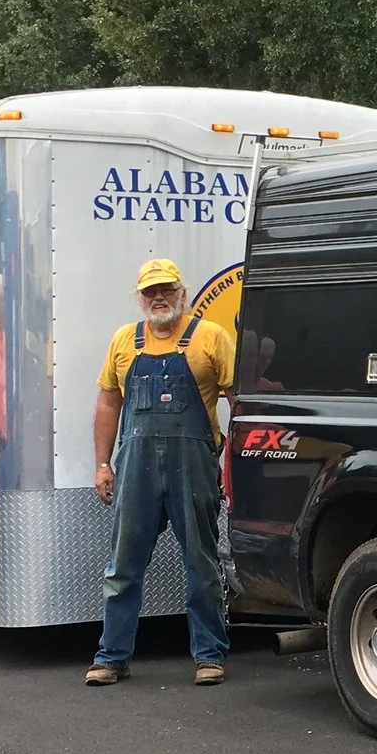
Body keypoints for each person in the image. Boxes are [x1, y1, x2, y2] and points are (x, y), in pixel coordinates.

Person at [86, 258, 236, 685]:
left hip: (194, 468)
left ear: (182, 293)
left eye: (167, 289)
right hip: (136, 471)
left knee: (202, 565)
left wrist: (236, 468)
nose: (159, 298)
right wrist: (102, 464)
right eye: (151, 291)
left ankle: (210, 656)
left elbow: (237, 398)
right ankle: (111, 658)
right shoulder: (124, 341)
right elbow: (108, 403)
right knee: (122, 568)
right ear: (140, 298)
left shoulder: (211, 337)